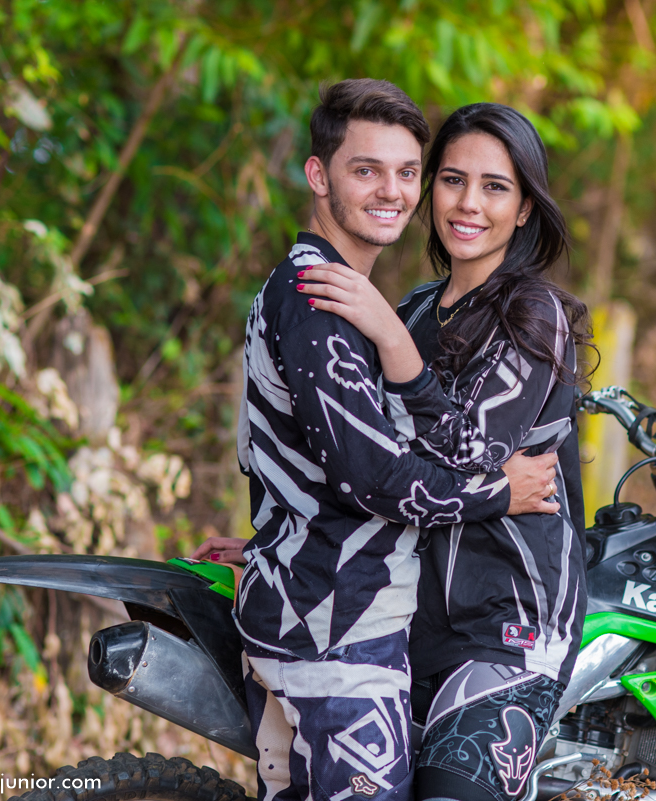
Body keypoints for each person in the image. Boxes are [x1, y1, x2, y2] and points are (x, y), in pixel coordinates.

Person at [193, 81, 560, 801]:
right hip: (344, 630)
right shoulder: (334, 303)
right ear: (318, 174)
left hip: (370, 611)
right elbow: (375, 475)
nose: (393, 190)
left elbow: (322, 457)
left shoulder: (373, 304)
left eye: (406, 172)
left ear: (523, 208)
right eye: (366, 170)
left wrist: (289, 532)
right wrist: (501, 490)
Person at [298, 103, 592, 801]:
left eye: (495, 187)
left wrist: (390, 342)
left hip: (506, 624)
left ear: (524, 209)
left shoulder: (533, 315)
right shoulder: (418, 309)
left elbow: (469, 450)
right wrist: (286, 536)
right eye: (453, 180)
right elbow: (369, 461)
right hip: (402, 609)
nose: (468, 203)